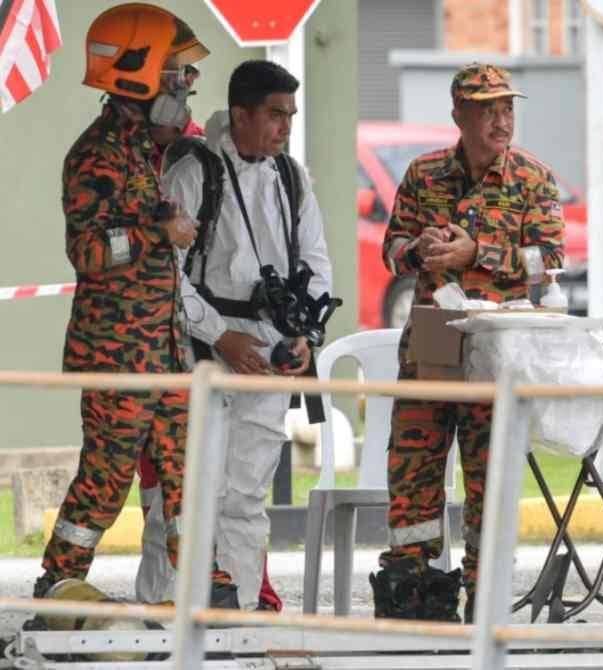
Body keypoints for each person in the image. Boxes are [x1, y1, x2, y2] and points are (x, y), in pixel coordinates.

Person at [371, 63, 565, 623]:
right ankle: (413, 591)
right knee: (413, 469)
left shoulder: (533, 179)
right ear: (459, 115)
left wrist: (475, 252)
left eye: (507, 108)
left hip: (498, 348)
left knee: (490, 474)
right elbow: (392, 250)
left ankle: (485, 598)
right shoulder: (424, 173)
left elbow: (549, 260)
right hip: (433, 341)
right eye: (487, 110)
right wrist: (420, 251)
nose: (501, 121)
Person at [33, 3, 210, 598]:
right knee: (105, 483)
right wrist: (158, 232)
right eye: (177, 72)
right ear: (139, 73)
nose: (187, 85)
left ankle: (197, 596)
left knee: (187, 477)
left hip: (164, 351)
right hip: (117, 358)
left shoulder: (144, 150)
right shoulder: (97, 154)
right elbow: (87, 252)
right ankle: (58, 587)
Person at [160, 59, 333, 610]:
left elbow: (315, 260)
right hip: (204, 351)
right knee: (188, 490)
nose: (285, 127)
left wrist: (305, 331)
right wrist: (221, 336)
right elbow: (166, 275)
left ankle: (239, 615)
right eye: (276, 115)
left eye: (291, 116)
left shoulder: (291, 177)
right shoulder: (194, 171)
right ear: (240, 114)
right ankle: (168, 611)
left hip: (269, 349)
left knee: (246, 492)